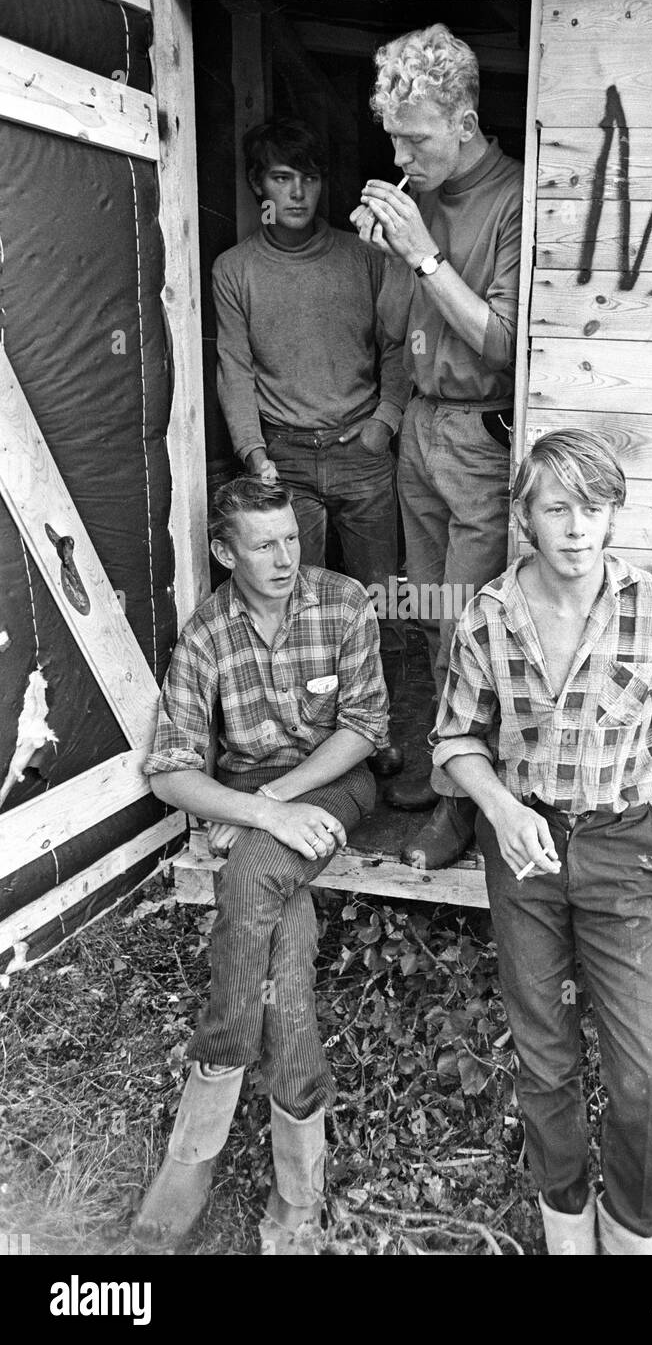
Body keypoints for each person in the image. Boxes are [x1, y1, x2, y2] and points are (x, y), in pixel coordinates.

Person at [429, 429, 652, 1255]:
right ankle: (566, 1229)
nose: (576, 527)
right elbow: (453, 740)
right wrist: (501, 810)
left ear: (613, 515)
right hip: (524, 851)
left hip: (622, 851)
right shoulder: (488, 615)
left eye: (593, 508)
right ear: (525, 518)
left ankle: (637, 1234)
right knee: (543, 1061)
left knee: (644, 1073)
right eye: (557, 508)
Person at [130, 476, 388, 1255]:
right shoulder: (208, 631)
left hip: (335, 783)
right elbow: (170, 769)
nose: (285, 558)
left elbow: (365, 727)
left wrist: (276, 799)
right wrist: (264, 812)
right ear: (223, 551)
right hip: (259, 804)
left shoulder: (342, 601)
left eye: (290, 540)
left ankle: (194, 1146)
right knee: (289, 945)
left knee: (246, 877)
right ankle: (297, 1191)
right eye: (264, 544)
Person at [350, 23, 523, 868]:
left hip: (479, 436)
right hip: (417, 425)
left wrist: (422, 257)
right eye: (392, 136)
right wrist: (389, 256)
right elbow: (390, 328)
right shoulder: (414, 197)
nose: (401, 151)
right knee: (423, 617)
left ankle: (461, 807)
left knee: (464, 626)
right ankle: (434, 767)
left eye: (414, 135)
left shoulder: (517, 197)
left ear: (464, 118)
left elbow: (504, 344)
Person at [213, 117, 409, 775]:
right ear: (257, 184)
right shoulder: (234, 269)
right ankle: (311, 748)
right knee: (295, 608)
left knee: (380, 603)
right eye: (281, 177)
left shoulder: (363, 257)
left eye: (310, 178)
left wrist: (383, 422)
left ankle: (378, 736)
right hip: (285, 463)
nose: (297, 193)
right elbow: (233, 369)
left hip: (362, 453)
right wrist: (253, 453)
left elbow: (396, 349)